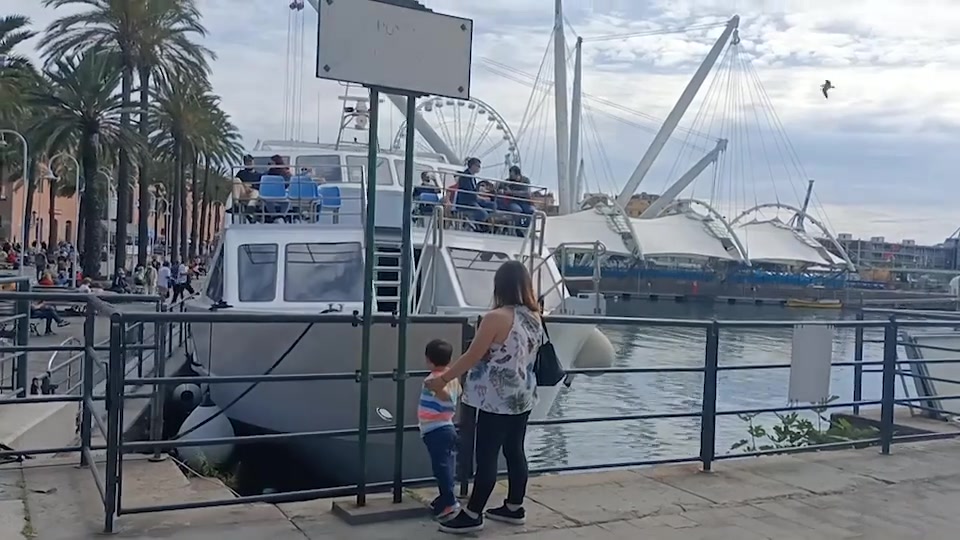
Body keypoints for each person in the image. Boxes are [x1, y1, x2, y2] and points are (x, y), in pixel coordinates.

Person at [427, 260, 543, 534]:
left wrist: (443, 379)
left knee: (487, 455)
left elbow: (472, 355)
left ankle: (473, 513)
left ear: (499, 285)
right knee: (515, 450)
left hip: (496, 397)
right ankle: (514, 507)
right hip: (523, 393)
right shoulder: (535, 317)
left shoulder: (496, 317)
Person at [420, 339, 462, 522]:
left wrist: (439, 391)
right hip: (446, 427)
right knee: (446, 464)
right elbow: (458, 393)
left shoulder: (432, 380)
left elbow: (447, 397)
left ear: (428, 360)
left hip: (435, 429)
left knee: (441, 466)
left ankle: (449, 501)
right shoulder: (452, 377)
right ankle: (446, 495)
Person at [453, 158, 496, 230]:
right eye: (478, 166)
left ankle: (481, 224)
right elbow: (469, 193)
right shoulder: (465, 176)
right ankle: (470, 220)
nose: (479, 168)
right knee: (483, 214)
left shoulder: (472, 177)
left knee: (492, 205)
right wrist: (481, 198)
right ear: (473, 166)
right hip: (466, 202)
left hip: (473, 200)